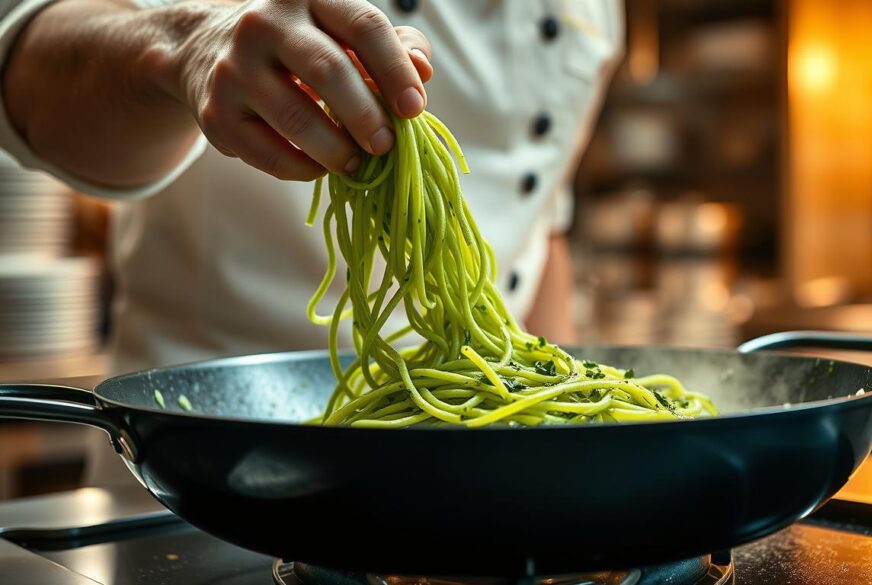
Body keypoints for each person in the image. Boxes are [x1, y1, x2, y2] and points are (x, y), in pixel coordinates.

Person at [0, 0, 623, 483]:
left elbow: (539, 225)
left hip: (484, 481)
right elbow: (21, 59)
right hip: (217, 480)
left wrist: (562, 456)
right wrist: (183, 43)